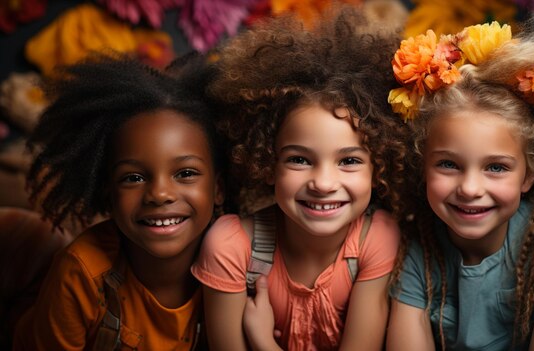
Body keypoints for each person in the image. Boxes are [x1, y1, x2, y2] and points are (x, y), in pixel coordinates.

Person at [189, 5, 418, 351]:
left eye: (349, 161)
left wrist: (263, 342)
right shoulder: (230, 247)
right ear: (266, 163)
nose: (323, 183)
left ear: (379, 166)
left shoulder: (377, 238)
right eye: (299, 159)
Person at [386, 21, 534, 350]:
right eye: (448, 164)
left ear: (529, 175)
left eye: (496, 167)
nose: (469, 188)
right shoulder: (416, 236)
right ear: (422, 165)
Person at [12, 52, 227, 350]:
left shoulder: (240, 261)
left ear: (218, 188)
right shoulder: (82, 272)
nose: (160, 194)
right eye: (133, 178)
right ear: (107, 192)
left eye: (186, 173)